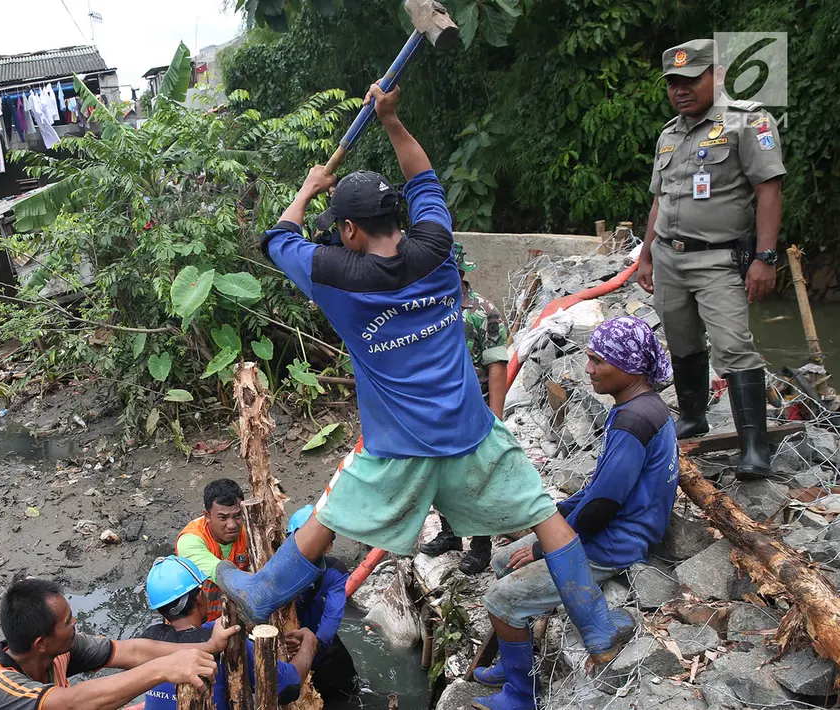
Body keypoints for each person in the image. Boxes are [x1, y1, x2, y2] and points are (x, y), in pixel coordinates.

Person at [217, 82, 632, 677]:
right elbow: (425, 180)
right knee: (547, 516)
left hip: (396, 451)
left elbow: (278, 238)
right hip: (471, 434)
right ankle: (597, 628)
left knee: (327, 523)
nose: (337, 237)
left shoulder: (334, 276)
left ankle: (263, 592)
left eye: (340, 229)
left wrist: (308, 189)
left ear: (351, 230)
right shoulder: (438, 249)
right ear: (393, 217)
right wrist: (392, 120)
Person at [472, 317, 679, 710]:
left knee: (500, 599)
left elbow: (602, 506)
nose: (589, 370)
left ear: (630, 367)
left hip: (617, 539)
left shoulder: (634, 421)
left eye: (598, 361)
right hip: (615, 525)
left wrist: (543, 548)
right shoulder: (640, 407)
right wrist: (559, 512)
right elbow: (600, 488)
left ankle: (521, 695)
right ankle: (518, 659)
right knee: (502, 560)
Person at [636, 38, 785, 479]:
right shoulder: (670, 133)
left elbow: (769, 191)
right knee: (681, 342)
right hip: (668, 257)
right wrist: (645, 257)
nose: (681, 90)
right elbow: (659, 201)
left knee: (734, 348)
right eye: (673, 83)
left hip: (718, 259)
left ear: (715, 76)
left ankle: (754, 446)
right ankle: (693, 417)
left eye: (691, 80)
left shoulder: (747, 121)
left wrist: (766, 257)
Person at [0, 577, 239, 710]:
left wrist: (207, 646)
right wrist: (164, 669)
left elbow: (133, 650)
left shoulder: (58, 650)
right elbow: (72, 704)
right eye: (67, 622)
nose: (76, 624)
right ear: (41, 643)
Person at [419, 244, 511, 574]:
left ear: (458, 274)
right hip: (437, 408)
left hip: (475, 409)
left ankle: (481, 543)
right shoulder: (426, 310)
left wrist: (495, 418)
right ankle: (451, 533)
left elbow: (497, 364)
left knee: (477, 477)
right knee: (440, 474)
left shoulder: (481, 311)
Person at [138, 556, 316, 710]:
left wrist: (247, 629)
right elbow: (287, 687)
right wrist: (310, 641)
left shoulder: (147, 642)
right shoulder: (222, 643)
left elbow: (196, 632)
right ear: (200, 597)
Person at [284, 504, 359, 699]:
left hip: (321, 647)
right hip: (285, 647)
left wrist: (311, 644)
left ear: (328, 546)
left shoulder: (334, 571)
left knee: (346, 695)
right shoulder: (275, 568)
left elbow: (332, 618)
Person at [175, 479, 250, 622]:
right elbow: (223, 574)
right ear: (207, 515)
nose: (232, 525)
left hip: (232, 618)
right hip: (194, 625)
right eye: (223, 517)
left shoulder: (251, 535)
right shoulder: (190, 541)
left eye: (237, 516)